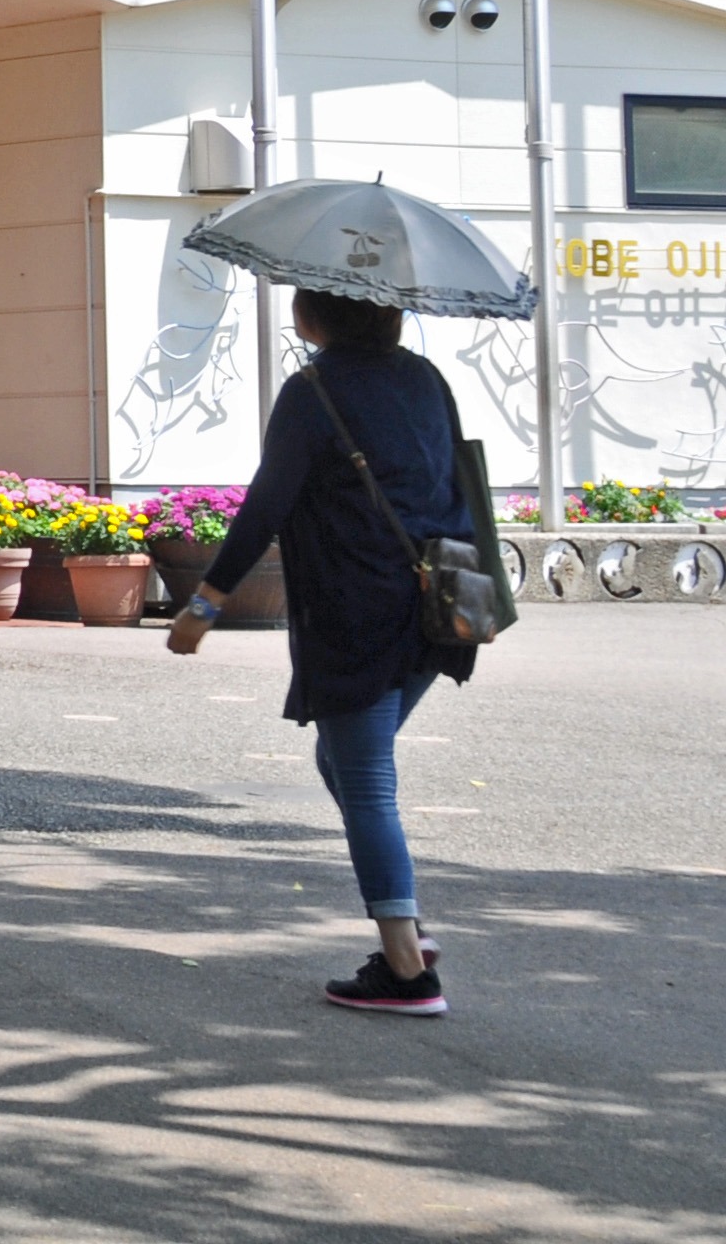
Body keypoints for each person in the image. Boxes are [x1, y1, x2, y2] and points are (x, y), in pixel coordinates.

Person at [169, 285, 480, 1016]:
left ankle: (407, 970)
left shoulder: (313, 389)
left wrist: (206, 601)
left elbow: (266, 504)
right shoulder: (426, 378)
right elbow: (458, 479)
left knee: (368, 781)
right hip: (439, 605)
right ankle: (408, 925)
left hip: (355, 612)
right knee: (339, 759)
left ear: (314, 317)